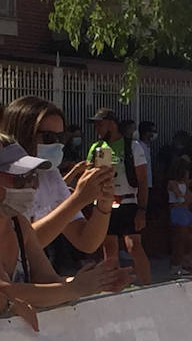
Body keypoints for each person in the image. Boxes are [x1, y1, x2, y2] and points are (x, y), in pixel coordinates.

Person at [0, 137, 131, 309]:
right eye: (20, 178)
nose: (30, 185)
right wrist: (74, 289)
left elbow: (48, 281)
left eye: (32, 176)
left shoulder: (19, 225)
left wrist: (95, 281)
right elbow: (5, 292)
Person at [1, 96, 115, 255]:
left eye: (61, 137)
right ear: (23, 134)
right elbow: (18, 245)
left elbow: (86, 241)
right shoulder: (4, 176)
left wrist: (103, 205)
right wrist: (78, 199)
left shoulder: (50, 174)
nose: (57, 144)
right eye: (48, 137)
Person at [89, 108, 152, 284]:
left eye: (100, 124)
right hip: (106, 203)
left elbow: (142, 180)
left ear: (112, 124)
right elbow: (95, 176)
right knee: (109, 247)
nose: (97, 129)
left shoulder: (132, 146)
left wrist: (142, 210)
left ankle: (147, 285)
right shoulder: (99, 148)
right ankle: (114, 285)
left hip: (129, 202)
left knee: (133, 245)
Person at [165, 155, 192, 275]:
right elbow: (180, 196)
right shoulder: (172, 183)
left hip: (185, 211)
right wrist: (185, 199)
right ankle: (175, 265)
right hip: (177, 212)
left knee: (189, 238)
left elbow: (190, 198)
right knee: (179, 239)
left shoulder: (185, 183)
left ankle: (186, 261)